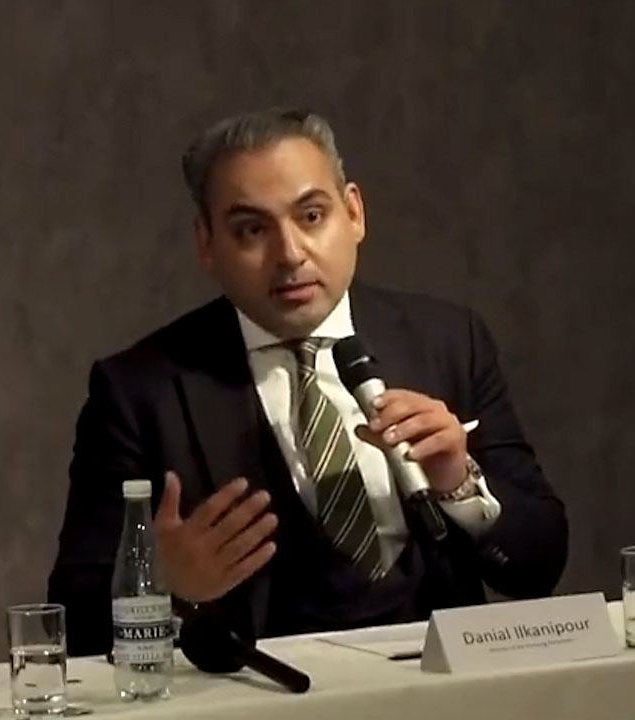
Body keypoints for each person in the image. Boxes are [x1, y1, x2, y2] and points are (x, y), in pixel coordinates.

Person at [48, 107, 568, 655]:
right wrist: (164, 587)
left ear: (354, 213)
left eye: (312, 216)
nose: (290, 254)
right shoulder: (138, 391)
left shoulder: (448, 340)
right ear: (206, 245)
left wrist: (460, 484)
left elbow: (539, 566)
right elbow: (73, 622)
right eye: (252, 229)